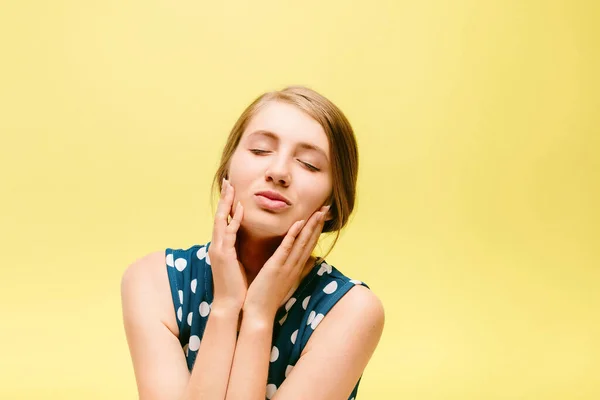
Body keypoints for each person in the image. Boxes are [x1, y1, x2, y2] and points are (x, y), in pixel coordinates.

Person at [121, 86, 385, 400]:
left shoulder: (351, 311)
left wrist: (259, 314)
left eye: (310, 164)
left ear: (332, 204)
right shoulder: (154, 282)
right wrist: (225, 307)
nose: (279, 172)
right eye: (260, 150)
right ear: (226, 172)